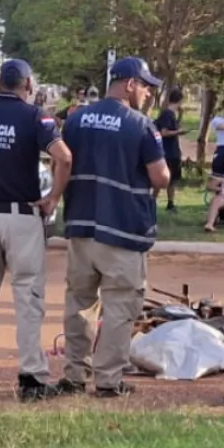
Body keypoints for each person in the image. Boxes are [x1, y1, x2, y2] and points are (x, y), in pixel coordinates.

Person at [0, 59, 73, 401]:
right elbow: (64, 157)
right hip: (22, 217)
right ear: (28, 85)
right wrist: (53, 196)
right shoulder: (34, 117)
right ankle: (31, 378)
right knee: (27, 298)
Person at [60, 56, 170, 397]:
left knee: (79, 303)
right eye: (145, 86)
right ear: (129, 83)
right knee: (120, 306)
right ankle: (108, 380)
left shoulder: (76, 120)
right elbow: (160, 177)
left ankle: (74, 374)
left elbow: (62, 163)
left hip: (81, 225)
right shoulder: (141, 125)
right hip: (122, 229)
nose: (149, 93)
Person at [153, 88, 186, 211]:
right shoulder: (167, 114)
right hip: (167, 151)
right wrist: (179, 132)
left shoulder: (171, 114)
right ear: (180, 101)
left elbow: (173, 127)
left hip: (173, 151)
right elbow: (164, 132)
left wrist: (181, 116)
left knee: (173, 179)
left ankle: (170, 203)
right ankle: (152, 201)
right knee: (162, 178)